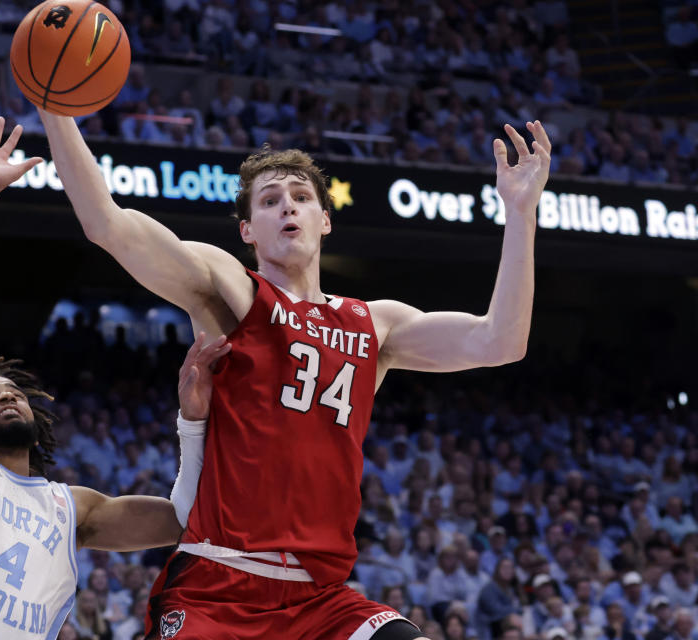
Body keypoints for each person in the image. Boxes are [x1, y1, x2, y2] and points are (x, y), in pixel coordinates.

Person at [37, 103, 551, 640]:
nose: (289, 207)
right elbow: (107, 224)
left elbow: (501, 342)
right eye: (270, 200)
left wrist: (520, 213)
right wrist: (54, 109)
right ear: (248, 230)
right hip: (219, 585)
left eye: (302, 198)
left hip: (322, 602)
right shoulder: (232, 291)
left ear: (324, 220)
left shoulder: (376, 324)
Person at [0, 117, 230, 639]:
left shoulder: (72, 508)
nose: (6, 395)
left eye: (13, 392)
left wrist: (193, 420)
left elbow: (186, 518)